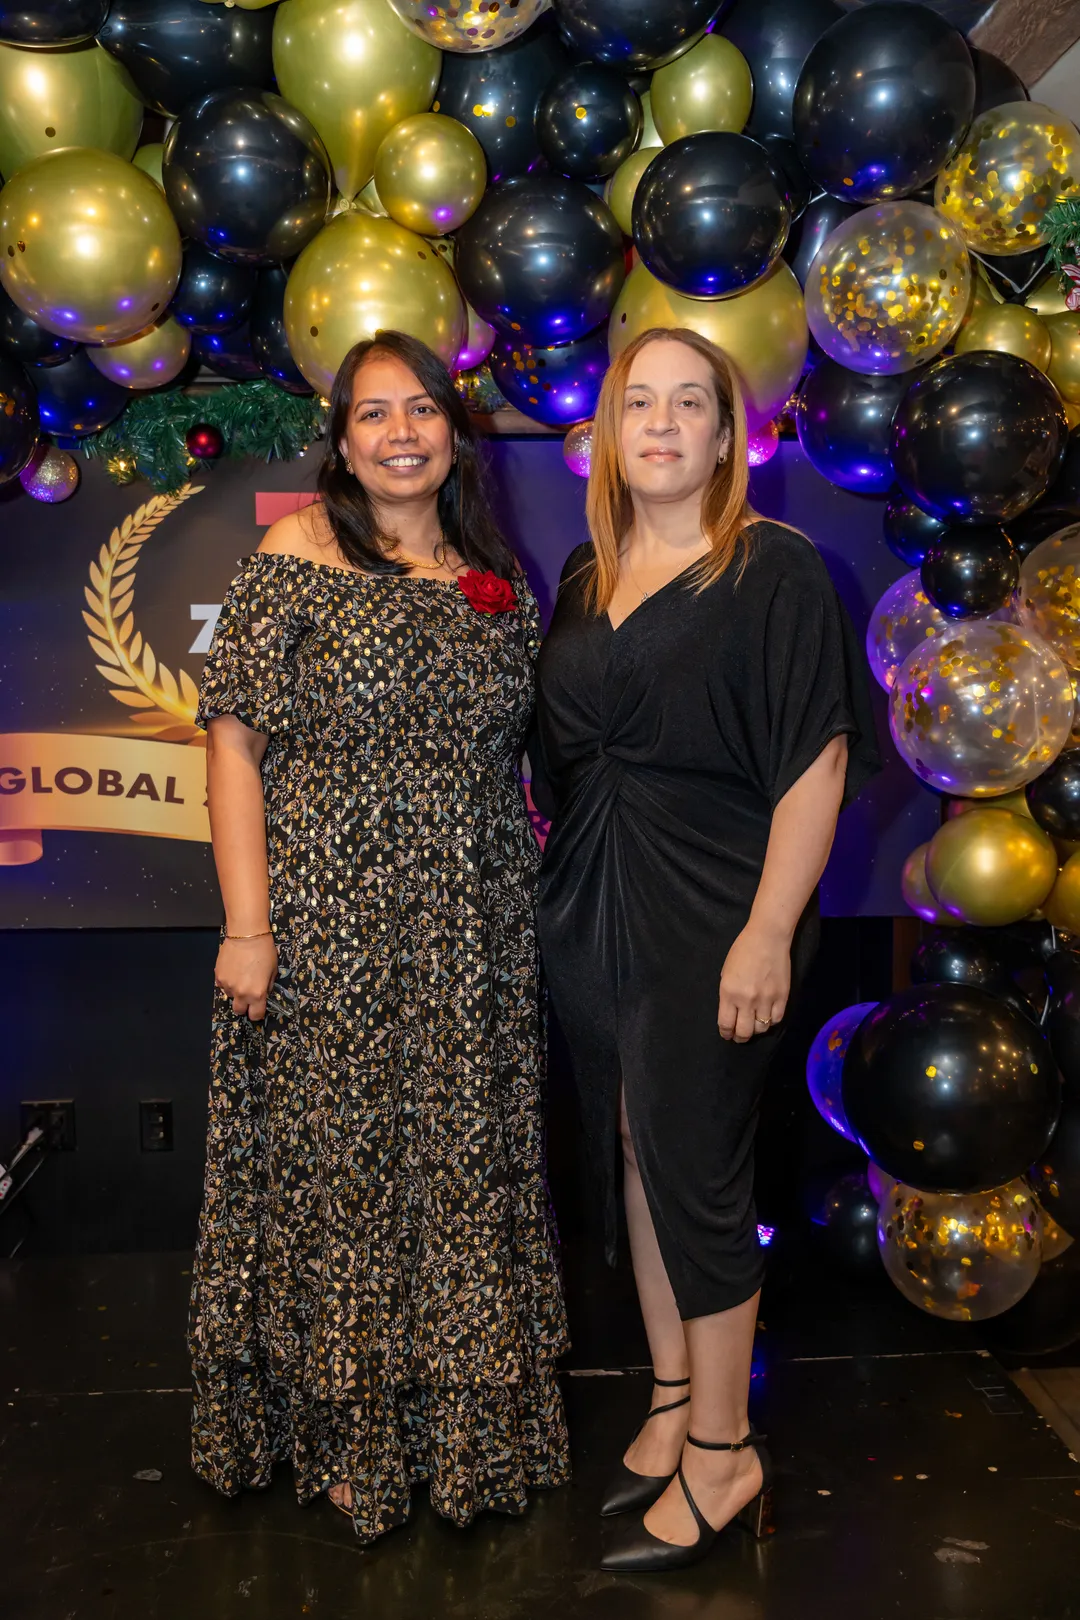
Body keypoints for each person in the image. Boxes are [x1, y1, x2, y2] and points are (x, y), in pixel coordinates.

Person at [189, 329, 570, 1543]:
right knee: (344, 1179)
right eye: (373, 415)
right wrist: (249, 927)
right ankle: (350, 1436)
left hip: (474, 924)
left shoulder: (493, 572)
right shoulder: (290, 557)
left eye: (421, 411)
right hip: (325, 921)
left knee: (462, 1171)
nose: (400, 433)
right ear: (342, 441)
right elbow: (233, 750)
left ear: (452, 433)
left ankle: (468, 1432)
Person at [533, 327, 879, 1573]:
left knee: (698, 1168)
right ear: (609, 433)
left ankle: (727, 1455)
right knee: (632, 1138)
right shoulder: (584, 572)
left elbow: (819, 760)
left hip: (714, 910)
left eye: (694, 404)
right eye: (642, 403)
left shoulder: (772, 572)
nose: (666, 424)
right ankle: (674, 1399)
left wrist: (768, 933)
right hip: (589, 901)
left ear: (732, 435)